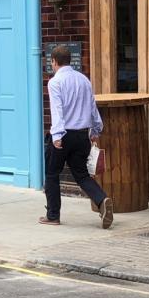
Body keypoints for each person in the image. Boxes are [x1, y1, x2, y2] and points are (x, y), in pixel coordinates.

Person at [42, 44, 113, 229]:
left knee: (51, 174)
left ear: (54, 62)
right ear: (70, 60)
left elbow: (57, 110)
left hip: (64, 135)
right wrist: (96, 130)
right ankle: (102, 199)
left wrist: (56, 135)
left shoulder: (55, 82)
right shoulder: (84, 80)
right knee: (81, 175)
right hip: (83, 135)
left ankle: (53, 216)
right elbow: (92, 107)